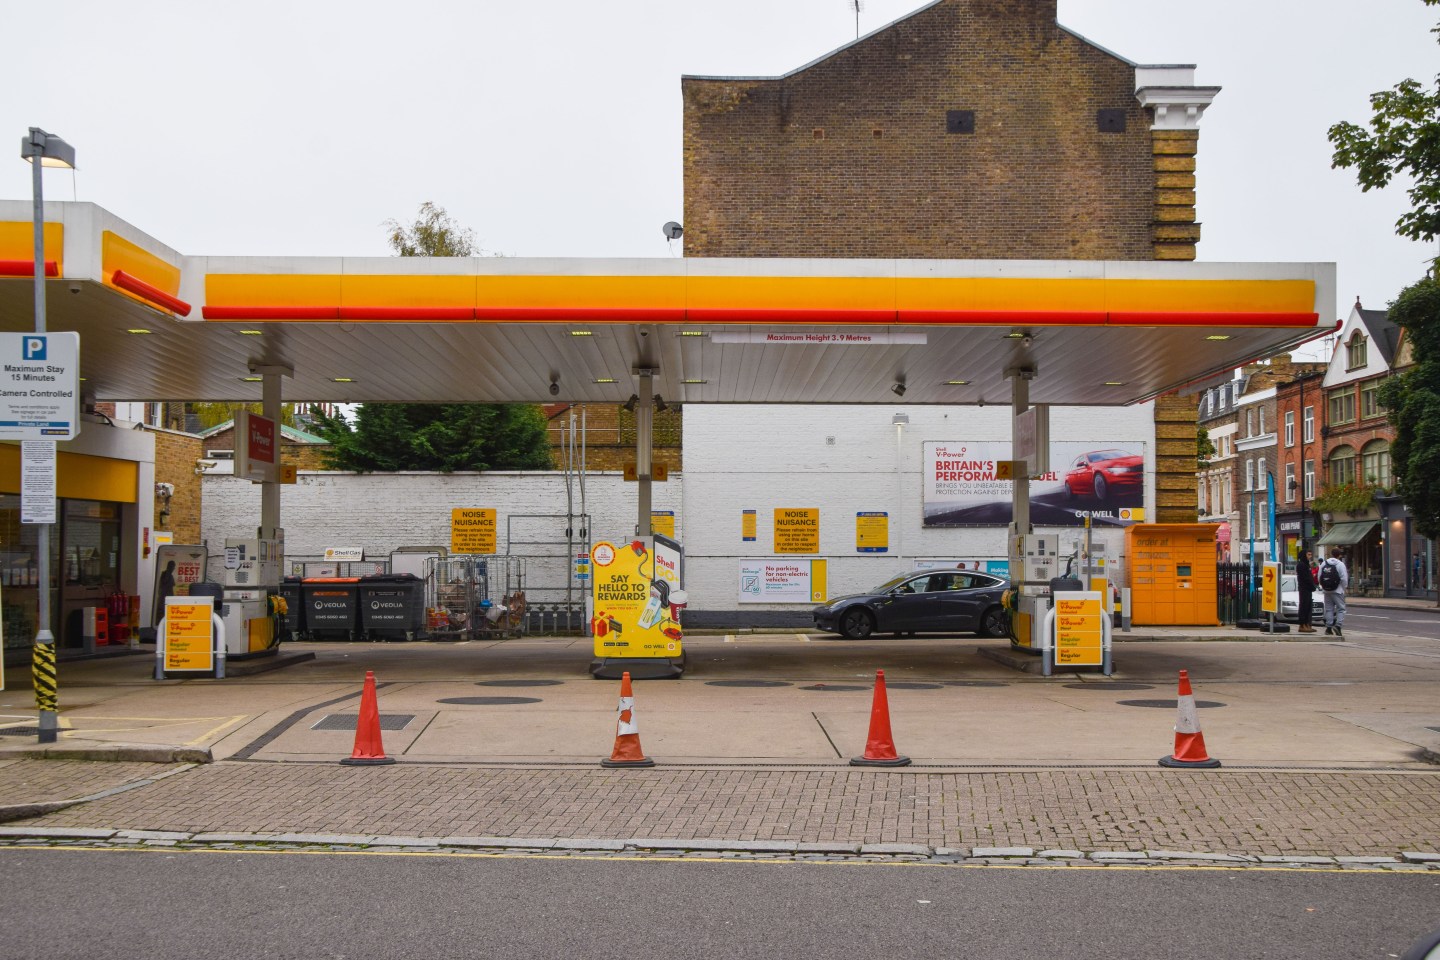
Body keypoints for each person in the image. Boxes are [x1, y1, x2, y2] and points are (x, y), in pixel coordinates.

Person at [1318, 547, 1348, 637]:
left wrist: (1323, 586)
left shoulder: (1324, 563)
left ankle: (1328, 627)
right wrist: (1343, 588)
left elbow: (1319, 576)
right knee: (1341, 608)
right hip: (1338, 590)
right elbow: (1344, 578)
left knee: (1329, 609)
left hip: (1327, 590)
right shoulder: (1340, 564)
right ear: (1339, 555)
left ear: (1331, 554)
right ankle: (1338, 626)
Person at [1295, 547, 1317, 633]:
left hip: (1308, 588)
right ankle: (1302, 625)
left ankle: (1307, 624)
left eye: (1311, 555)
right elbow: (1305, 578)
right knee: (1303, 606)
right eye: (1308, 554)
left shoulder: (1306, 564)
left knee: (1308, 607)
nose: (1310, 556)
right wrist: (1311, 585)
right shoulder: (1301, 565)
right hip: (1304, 588)